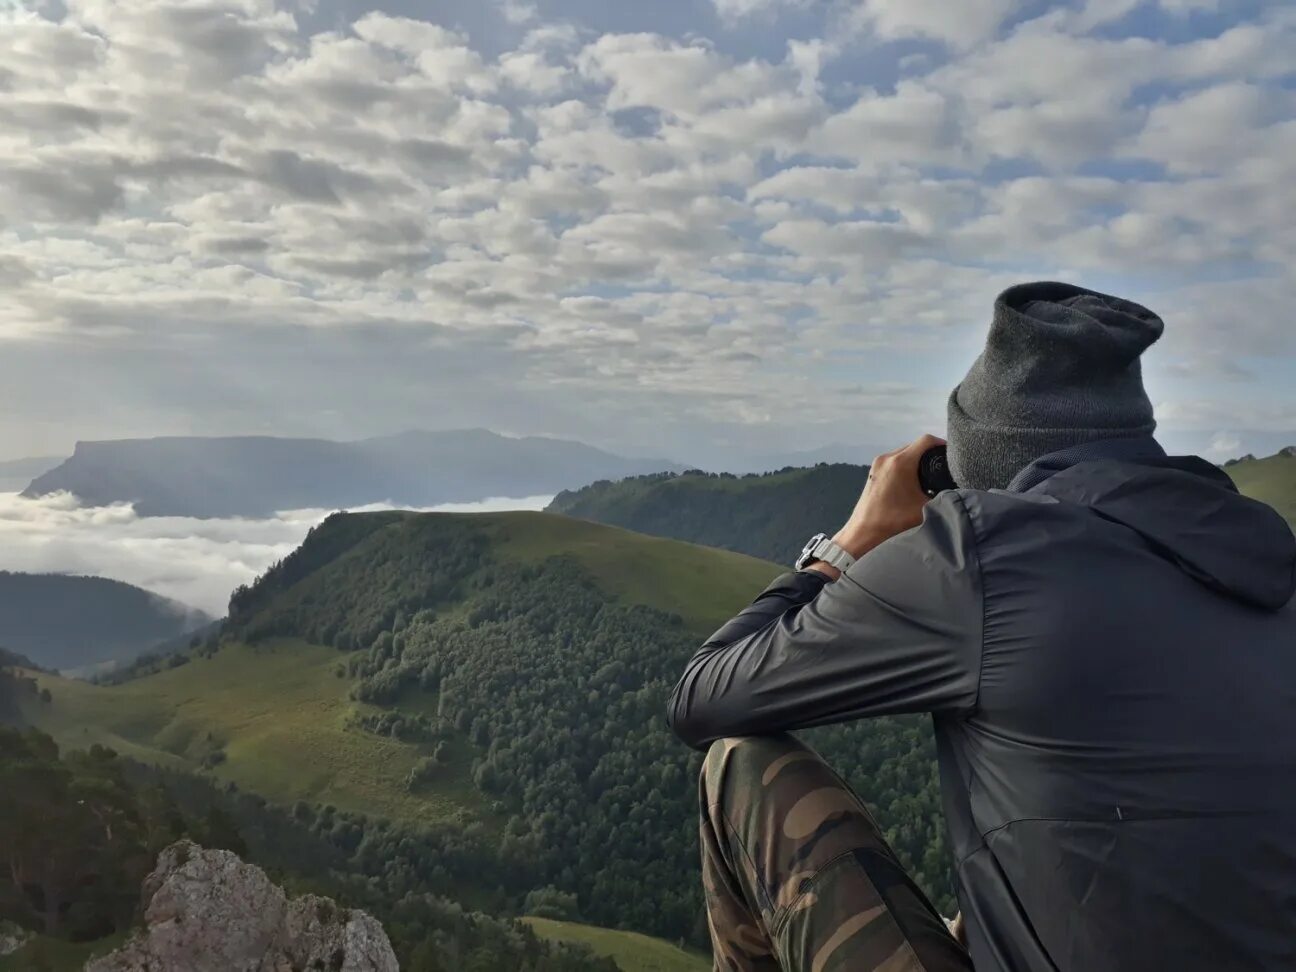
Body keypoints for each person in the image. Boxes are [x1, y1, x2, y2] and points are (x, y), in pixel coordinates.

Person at [667, 281, 1296, 972]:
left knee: (739, 765)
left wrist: (851, 542)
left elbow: (703, 697)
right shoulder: (1263, 558)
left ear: (978, 458)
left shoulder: (984, 552)